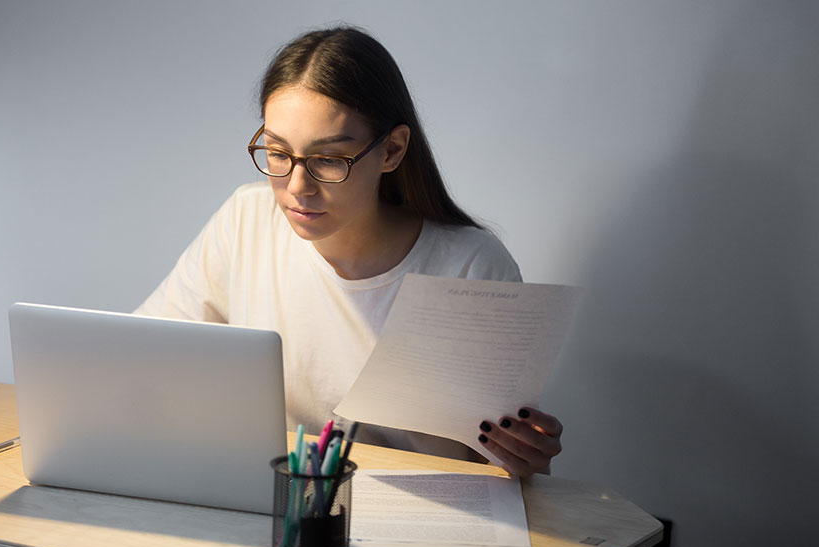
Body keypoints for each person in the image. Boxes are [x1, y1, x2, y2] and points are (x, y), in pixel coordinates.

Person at [136, 26, 562, 477]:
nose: (298, 187)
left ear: (392, 150)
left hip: (423, 522)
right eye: (278, 153)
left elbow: (497, 465)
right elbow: (143, 356)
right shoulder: (247, 218)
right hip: (280, 502)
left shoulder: (471, 265)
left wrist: (520, 455)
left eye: (328, 160)